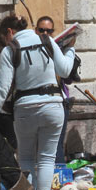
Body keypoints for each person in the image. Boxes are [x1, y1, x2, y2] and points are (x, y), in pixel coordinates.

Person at [0, 14, 76, 190]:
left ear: (10, 32)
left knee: (25, 158)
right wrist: (70, 50)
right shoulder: (47, 40)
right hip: (53, 106)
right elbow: (65, 69)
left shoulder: (11, 49)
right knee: (47, 158)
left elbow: (2, 88)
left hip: (24, 107)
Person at [35, 16, 70, 163]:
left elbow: (68, 77)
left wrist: (69, 51)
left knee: (56, 146)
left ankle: (59, 182)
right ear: (36, 31)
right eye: (42, 30)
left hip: (59, 100)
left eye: (49, 31)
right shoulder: (30, 50)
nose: (45, 34)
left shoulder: (58, 50)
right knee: (36, 146)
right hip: (36, 101)